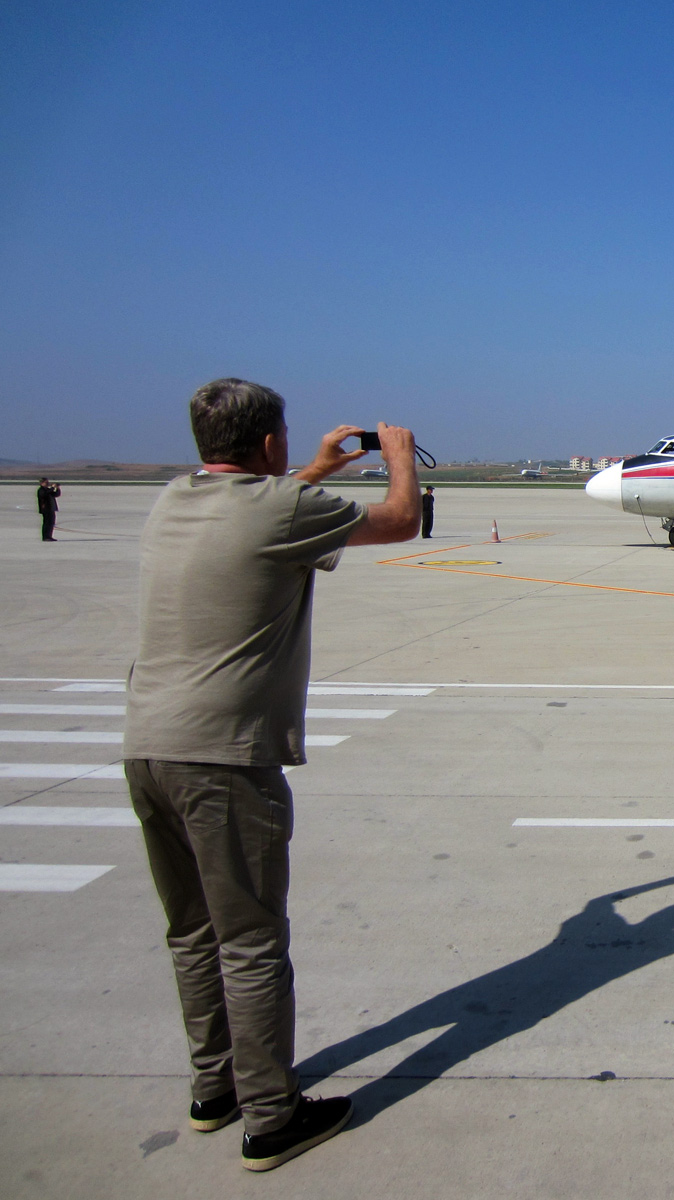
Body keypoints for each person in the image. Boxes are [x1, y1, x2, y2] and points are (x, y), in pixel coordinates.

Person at [122, 378, 420, 1172]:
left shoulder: (173, 501)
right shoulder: (281, 509)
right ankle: (271, 1116)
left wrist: (316, 470)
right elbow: (401, 522)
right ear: (267, 446)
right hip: (223, 759)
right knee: (252, 942)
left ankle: (213, 1090)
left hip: (148, 747)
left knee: (192, 932)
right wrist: (397, 459)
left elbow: (256, 507)